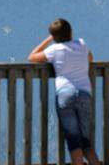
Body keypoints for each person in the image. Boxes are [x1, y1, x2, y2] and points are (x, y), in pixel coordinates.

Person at [28, 18, 100, 165]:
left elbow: (32, 57)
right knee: (86, 143)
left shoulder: (54, 50)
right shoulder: (82, 44)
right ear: (71, 31)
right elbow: (90, 59)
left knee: (74, 143)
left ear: (55, 37)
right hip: (84, 93)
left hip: (65, 95)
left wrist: (48, 40)